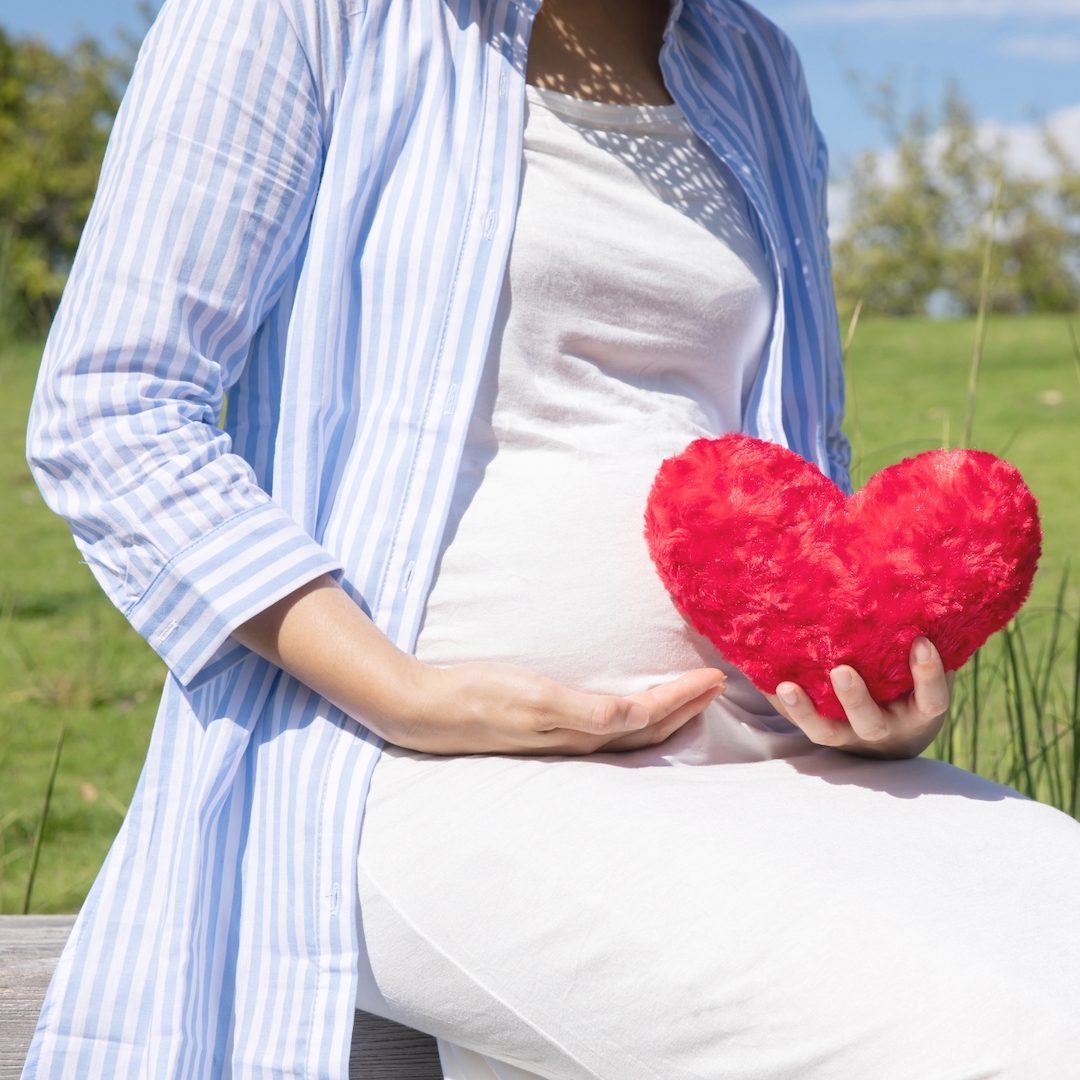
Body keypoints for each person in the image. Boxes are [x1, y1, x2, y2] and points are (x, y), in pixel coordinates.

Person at [22, 0, 1080, 1076]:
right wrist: (402, 694)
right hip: (414, 773)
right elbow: (114, 409)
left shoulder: (753, 62)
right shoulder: (302, 17)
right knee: (1003, 1037)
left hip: (770, 756)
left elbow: (801, 453)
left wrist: (851, 687)